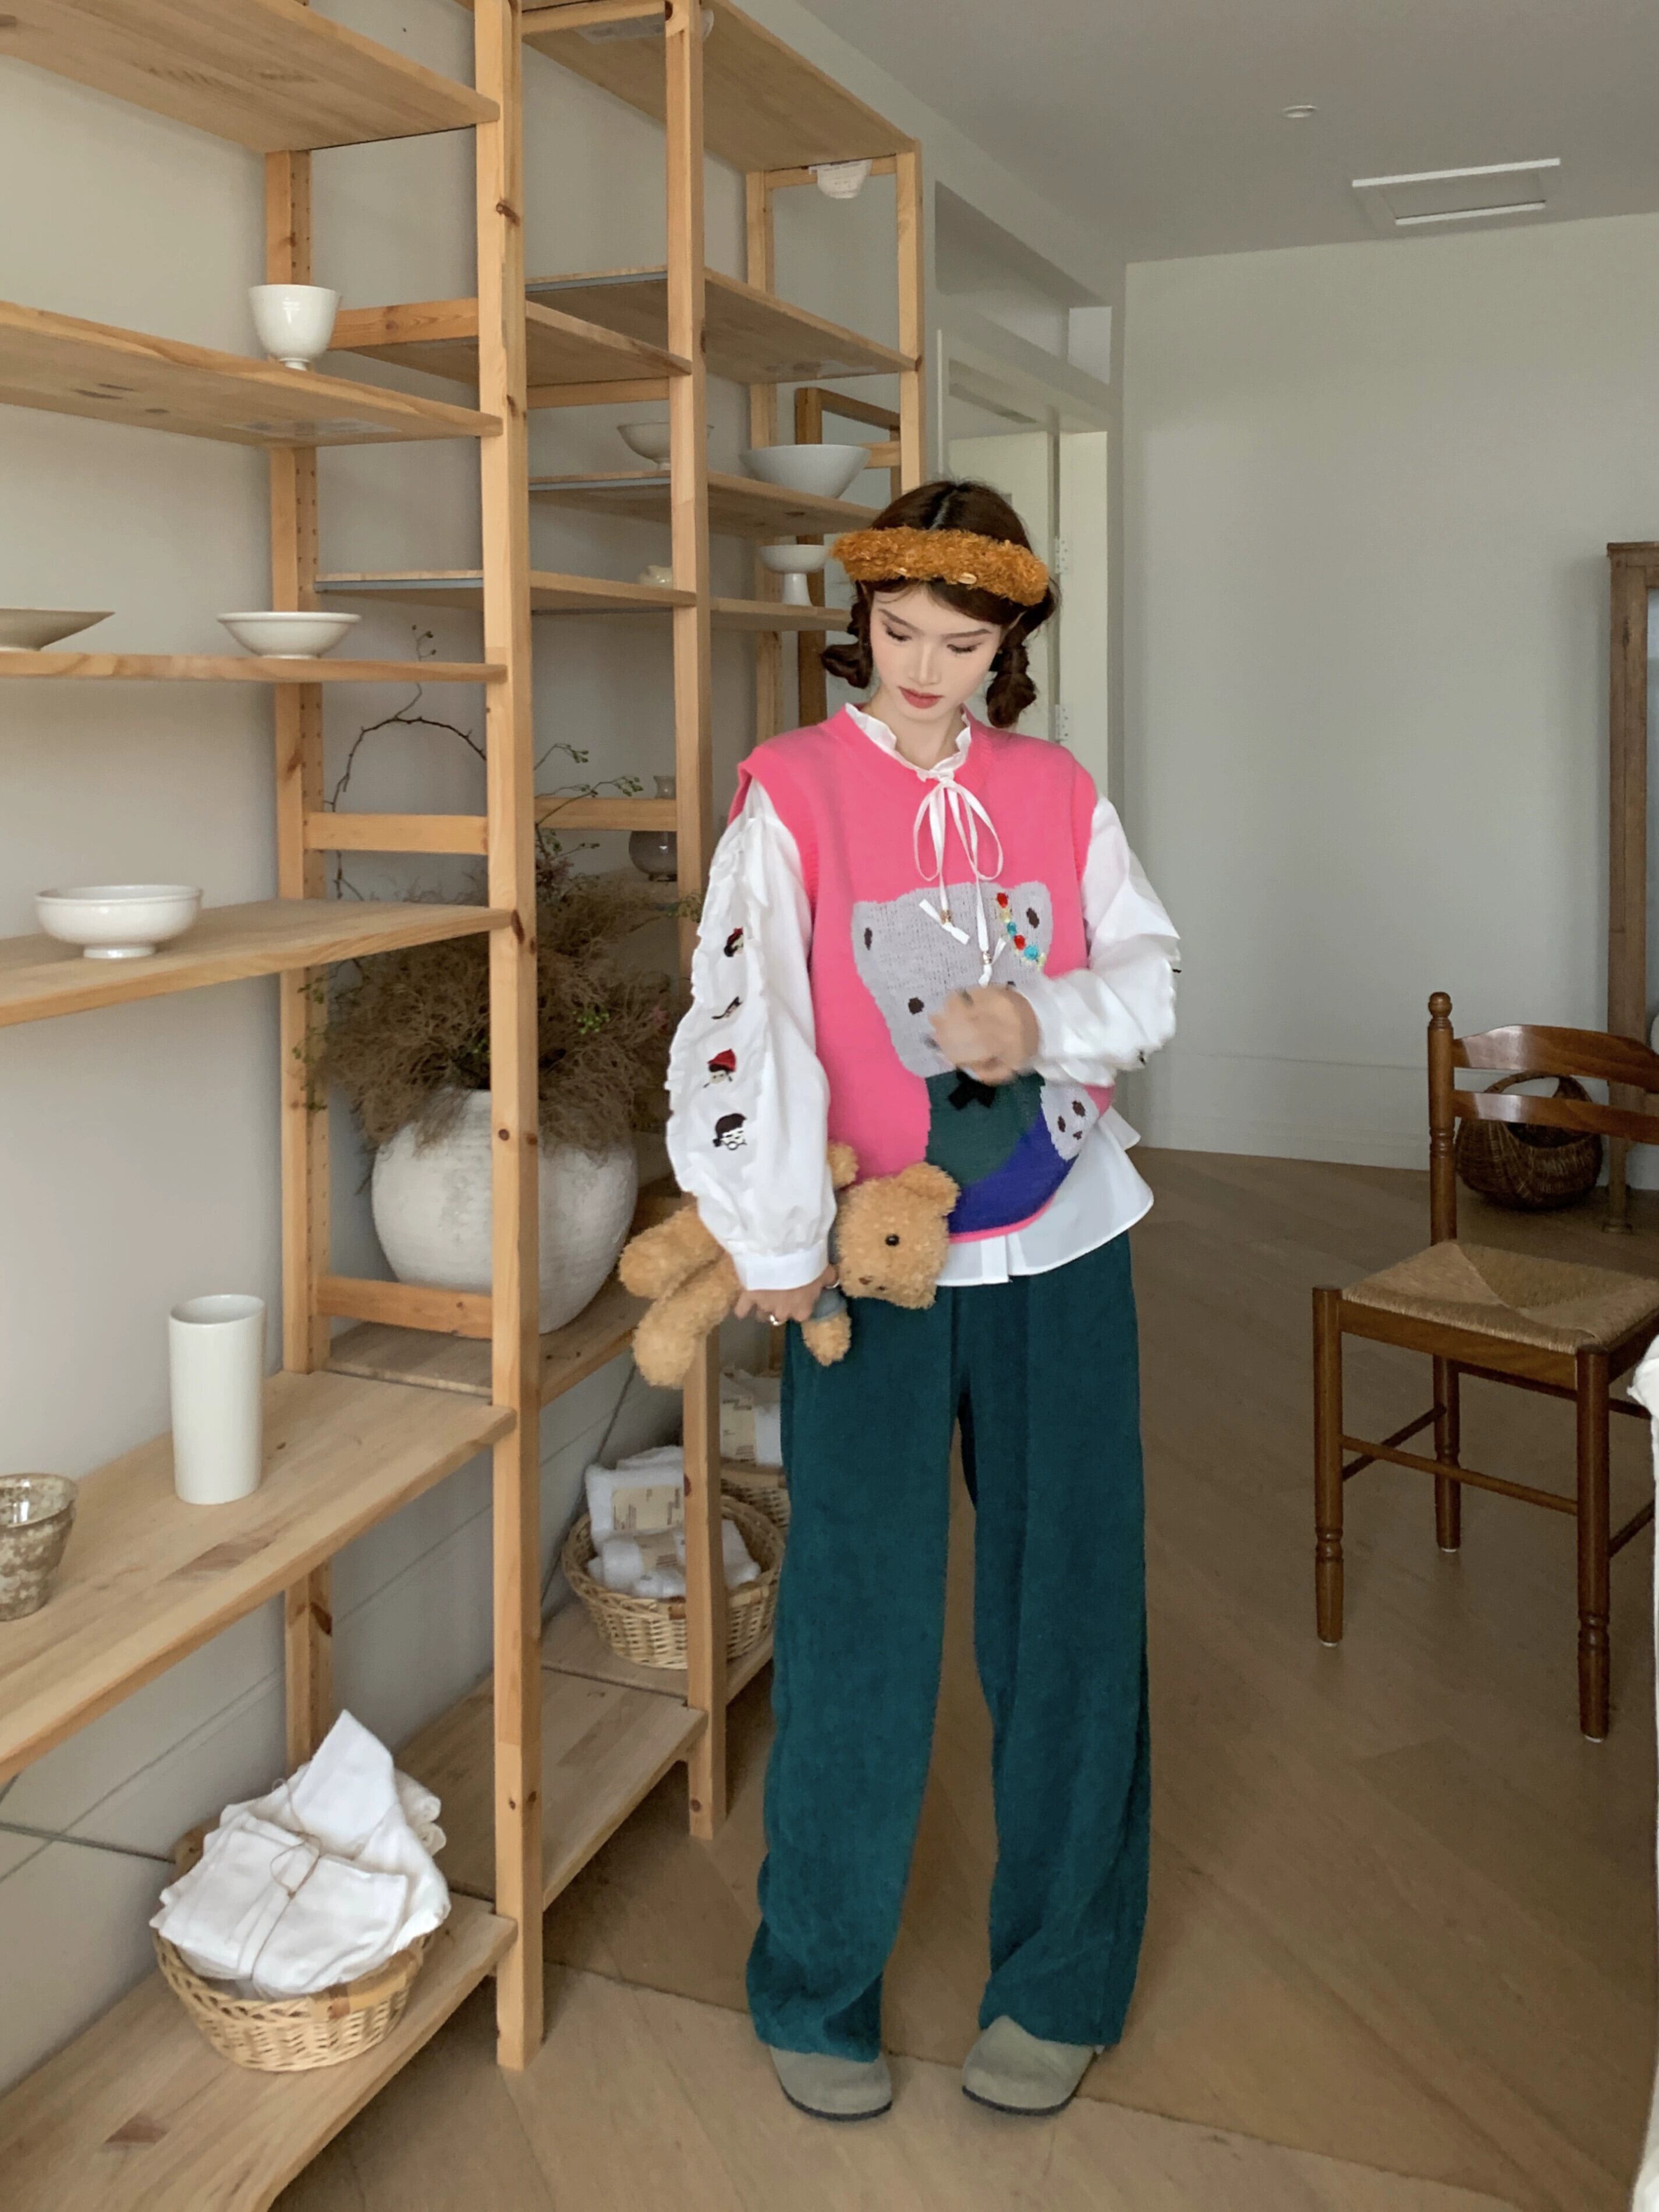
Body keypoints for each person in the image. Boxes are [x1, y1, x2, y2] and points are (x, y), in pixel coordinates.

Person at [664, 478, 1179, 2122]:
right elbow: (746, 1016)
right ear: (864, 621)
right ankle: (815, 1982)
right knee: (855, 1614)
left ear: (1005, 646)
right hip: (869, 1263)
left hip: (1063, 1244)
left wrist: (1041, 1019)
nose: (923, 668)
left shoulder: (1058, 789)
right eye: (899, 632)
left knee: (1074, 1606)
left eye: (961, 644)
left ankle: (1061, 1977)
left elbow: (1149, 975)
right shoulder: (792, 791)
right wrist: (768, 1230)